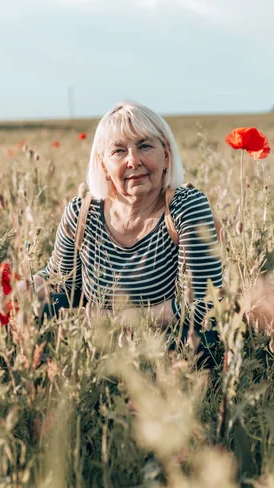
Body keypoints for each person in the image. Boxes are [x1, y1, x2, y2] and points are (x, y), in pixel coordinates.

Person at [24, 101, 223, 357]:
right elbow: (64, 286)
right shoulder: (82, 213)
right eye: (118, 151)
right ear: (103, 164)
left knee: (201, 335)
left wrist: (115, 320)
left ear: (166, 155)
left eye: (144, 146)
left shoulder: (187, 208)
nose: (133, 160)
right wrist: (17, 287)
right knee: (37, 308)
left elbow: (204, 304)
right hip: (103, 351)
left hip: (168, 353)